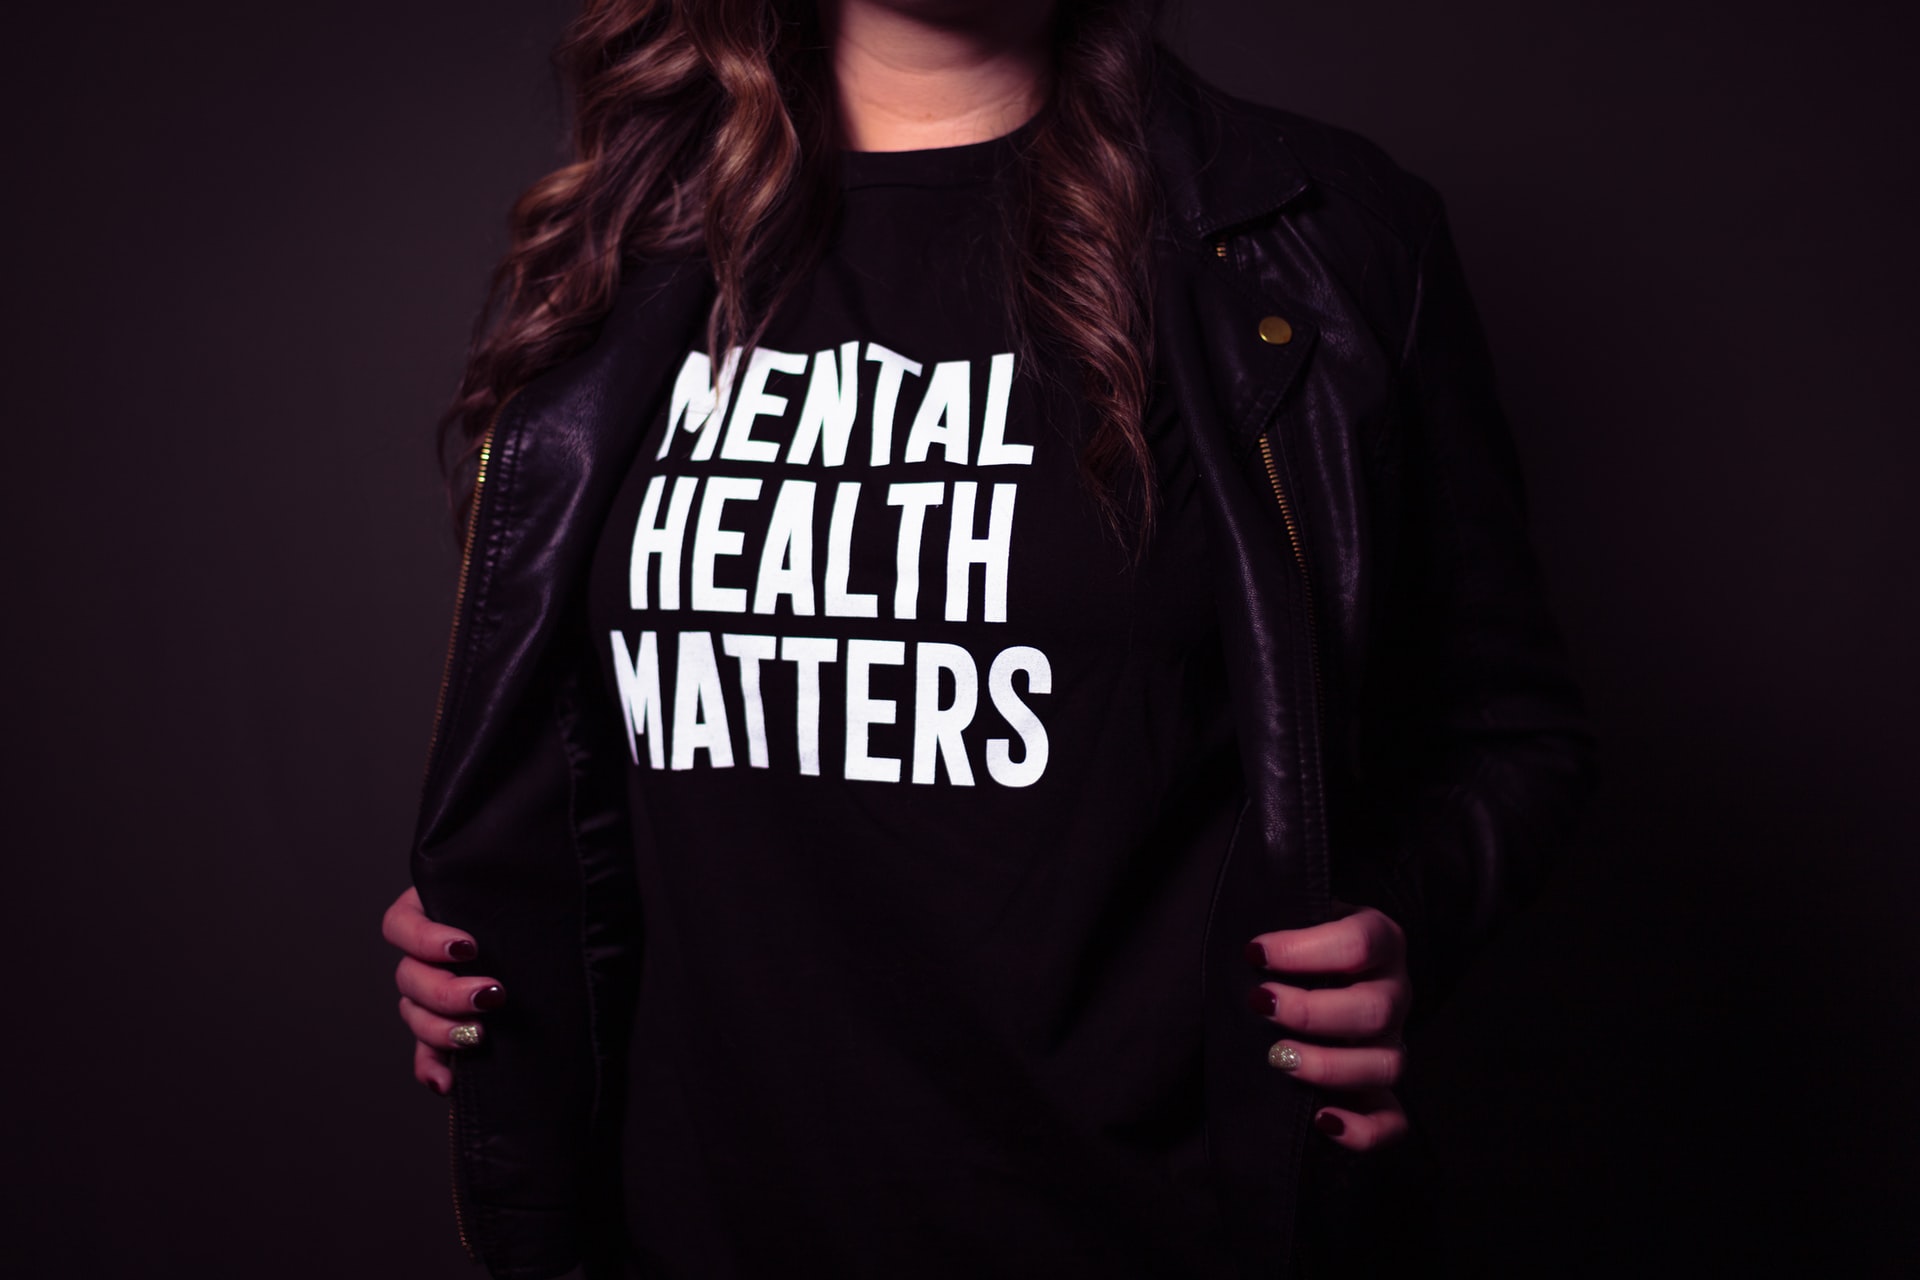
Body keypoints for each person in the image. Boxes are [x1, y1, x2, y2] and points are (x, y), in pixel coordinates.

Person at [381, 1, 1596, 1276]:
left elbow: (1511, 733)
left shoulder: (1316, 232)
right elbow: (600, 748)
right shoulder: (625, 239)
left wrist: (1399, 921)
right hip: (700, 1231)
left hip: (1154, 1226)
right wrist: (510, 919)